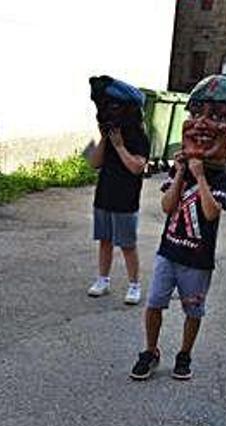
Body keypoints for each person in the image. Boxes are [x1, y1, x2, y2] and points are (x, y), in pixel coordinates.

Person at [130, 75, 226, 381]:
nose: (201, 123)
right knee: (154, 304)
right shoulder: (180, 166)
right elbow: (168, 206)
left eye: (217, 116)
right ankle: (150, 350)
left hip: (197, 260)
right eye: (195, 113)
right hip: (168, 252)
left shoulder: (221, 177)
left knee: (193, 311)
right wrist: (182, 172)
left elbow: (210, 213)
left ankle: (184, 353)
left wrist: (201, 176)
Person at [86, 76, 149, 304]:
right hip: (104, 194)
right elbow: (94, 163)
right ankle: (102, 280)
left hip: (125, 198)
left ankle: (134, 285)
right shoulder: (110, 136)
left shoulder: (139, 137)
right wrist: (105, 140)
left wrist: (121, 147)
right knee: (104, 240)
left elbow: (136, 167)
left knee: (127, 244)